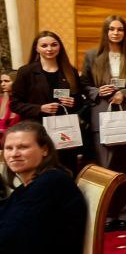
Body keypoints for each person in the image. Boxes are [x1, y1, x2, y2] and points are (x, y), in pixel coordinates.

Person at [80, 15, 126, 231]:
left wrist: (124, 94)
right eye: (112, 29)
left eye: (120, 29)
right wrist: (97, 91)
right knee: (106, 167)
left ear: (125, 33)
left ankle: (123, 216)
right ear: (106, 32)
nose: (116, 33)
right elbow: (83, 85)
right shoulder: (92, 56)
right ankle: (107, 215)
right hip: (103, 115)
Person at [0, 122, 88, 254]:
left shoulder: (51, 183)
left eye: (23, 147)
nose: (14, 154)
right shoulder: (32, 184)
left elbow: (12, 237)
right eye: (9, 148)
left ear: (45, 150)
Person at [9, 30, 86, 173]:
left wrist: (73, 102)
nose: (49, 49)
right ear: (36, 49)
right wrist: (40, 108)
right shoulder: (26, 72)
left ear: (60, 47)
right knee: (41, 172)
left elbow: (80, 100)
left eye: (54, 45)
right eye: (44, 46)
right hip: (37, 131)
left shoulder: (70, 71)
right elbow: (15, 104)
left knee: (66, 171)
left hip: (65, 132)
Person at [0, 69, 19, 138]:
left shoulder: (23, 101)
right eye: (1, 81)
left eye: (6, 81)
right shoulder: (1, 100)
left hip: (17, 137)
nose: (2, 84)